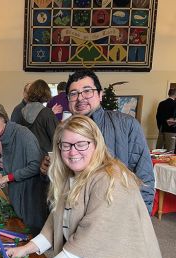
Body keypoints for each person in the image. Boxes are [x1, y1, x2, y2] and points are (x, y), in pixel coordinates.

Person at [7, 115, 167, 258]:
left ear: (96, 144)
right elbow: (56, 222)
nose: (73, 152)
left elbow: (91, 236)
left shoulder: (111, 178)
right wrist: (28, 248)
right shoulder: (73, 177)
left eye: (81, 144)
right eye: (66, 145)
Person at [63, 69, 155, 214]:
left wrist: (140, 217)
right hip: (76, 212)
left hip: (117, 213)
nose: (80, 98)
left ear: (100, 95)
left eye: (87, 91)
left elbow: (144, 177)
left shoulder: (126, 125)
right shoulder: (65, 132)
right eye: (73, 94)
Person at [0, 102, 43, 234]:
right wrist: (1, 173)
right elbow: (14, 164)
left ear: (2, 116)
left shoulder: (22, 134)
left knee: (29, 236)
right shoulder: (5, 136)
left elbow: (36, 166)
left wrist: (8, 177)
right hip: (17, 193)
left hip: (29, 195)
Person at [20, 79, 58, 224]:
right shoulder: (46, 113)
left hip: (28, 160)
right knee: (46, 199)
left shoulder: (22, 112)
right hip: (46, 162)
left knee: (32, 197)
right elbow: (57, 137)